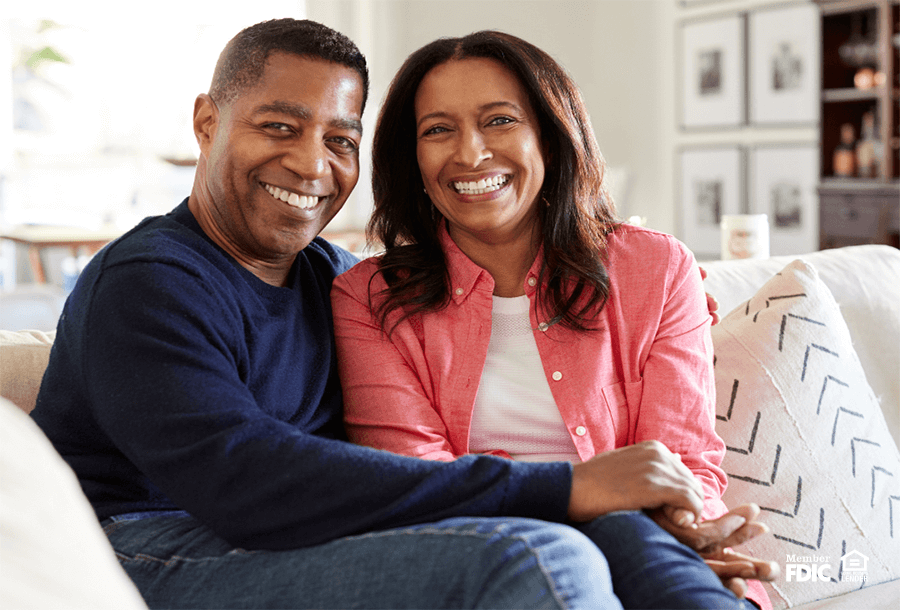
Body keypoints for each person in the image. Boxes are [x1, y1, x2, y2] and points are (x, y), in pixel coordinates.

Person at [29, 18, 759, 610]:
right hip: (146, 549)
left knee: (622, 537)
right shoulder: (149, 281)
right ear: (207, 121)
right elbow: (244, 481)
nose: (314, 165)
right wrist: (566, 488)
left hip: (291, 537)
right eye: (280, 127)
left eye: (340, 140)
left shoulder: (331, 279)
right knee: (536, 552)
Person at [331, 30, 776, 610]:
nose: (469, 153)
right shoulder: (369, 298)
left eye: (499, 121)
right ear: (411, 157)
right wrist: (584, 494)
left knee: (633, 538)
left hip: (647, 538)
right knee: (604, 535)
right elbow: (417, 484)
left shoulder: (655, 268)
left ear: (550, 132)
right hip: (492, 556)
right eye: (438, 130)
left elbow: (682, 460)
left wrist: (693, 530)